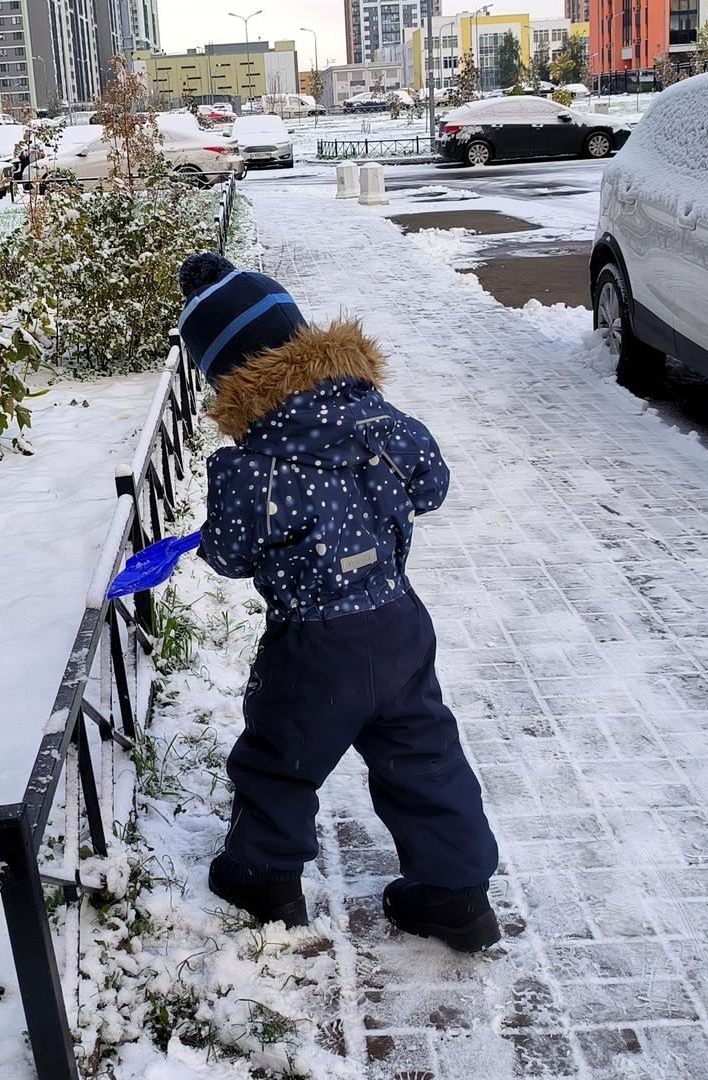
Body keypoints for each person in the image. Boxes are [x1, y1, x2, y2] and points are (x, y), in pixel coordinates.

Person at [176, 252, 502, 953]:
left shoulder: (252, 465)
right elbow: (430, 487)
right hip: (398, 622)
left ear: (228, 378)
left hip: (313, 644)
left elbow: (233, 557)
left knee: (279, 759)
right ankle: (457, 895)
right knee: (424, 758)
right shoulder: (379, 420)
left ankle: (262, 875)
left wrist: (202, 539)